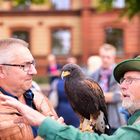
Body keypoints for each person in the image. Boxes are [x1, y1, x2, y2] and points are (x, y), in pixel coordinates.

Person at [1, 56, 140, 140]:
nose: (122, 86)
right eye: (123, 80)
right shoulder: (133, 122)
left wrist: (46, 125)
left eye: (130, 80)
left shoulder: (88, 83)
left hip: (97, 115)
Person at [0, 38, 58, 140]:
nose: (34, 71)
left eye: (32, 64)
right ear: (1, 71)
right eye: (25, 65)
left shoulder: (39, 98)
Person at [91, 44, 126, 133]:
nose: (105, 59)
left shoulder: (120, 74)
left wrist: (97, 96)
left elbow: (120, 95)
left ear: (113, 57)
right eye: (103, 57)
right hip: (98, 120)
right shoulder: (94, 75)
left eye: (108, 57)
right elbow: (89, 96)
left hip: (116, 119)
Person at [49, 56, 80, 127]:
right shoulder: (80, 83)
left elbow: (52, 100)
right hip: (75, 112)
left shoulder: (57, 82)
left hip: (62, 112)